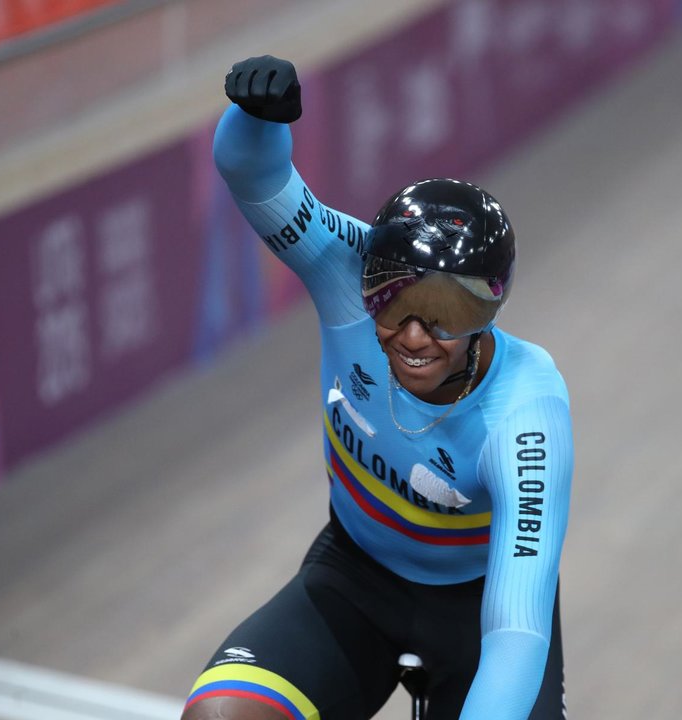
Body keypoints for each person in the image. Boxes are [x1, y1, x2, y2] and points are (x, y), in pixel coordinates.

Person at [181, 55, 574, 720]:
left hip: (480, 618)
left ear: (489, 316)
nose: (417, 336)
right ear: (370, 284)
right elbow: (254, 174)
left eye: (450, 318)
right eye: (396, 308)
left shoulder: (527, 415)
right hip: (353, 580)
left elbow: (515, 633)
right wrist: (257, 119)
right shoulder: (347, 267)